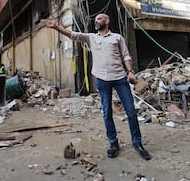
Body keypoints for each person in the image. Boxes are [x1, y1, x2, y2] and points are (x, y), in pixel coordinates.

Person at [41, 14, 151, 160]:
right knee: (107, 113)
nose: (96, 21)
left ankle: (137, 143)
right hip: (102, 80)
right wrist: (56, 27)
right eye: (96, 20)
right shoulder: (91, 37)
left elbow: (126, 56)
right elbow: (73, 34)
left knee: (131, 112)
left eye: (99, 19)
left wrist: (130, 72)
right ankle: (113, 143)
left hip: (120, 78)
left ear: (107, 21)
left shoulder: (117, 37)